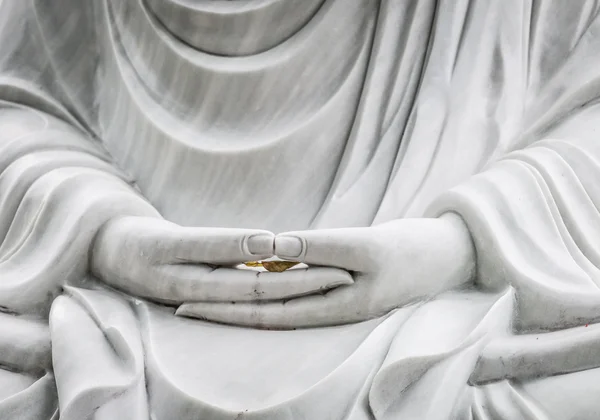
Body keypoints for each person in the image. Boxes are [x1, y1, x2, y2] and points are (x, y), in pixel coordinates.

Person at [1, 0, 600, 418]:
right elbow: (18, 101)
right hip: (115, 294)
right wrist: (103, 235)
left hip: (452, 281)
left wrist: (464, 241)